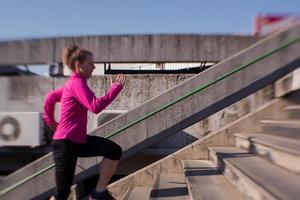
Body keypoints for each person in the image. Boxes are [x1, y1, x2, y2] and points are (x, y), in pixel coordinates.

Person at [43, 45, 125, 200]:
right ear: (78, 65)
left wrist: (52, 122)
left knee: (113, 150)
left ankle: (99, 192)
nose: (94, 67)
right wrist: (115, 88)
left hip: (78, 141)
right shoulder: (76, 83)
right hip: (66, 144)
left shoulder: (73, 84)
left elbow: (51, 97)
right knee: (62, 193)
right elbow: (95, 106)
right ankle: (98, 193)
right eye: (90, 63)